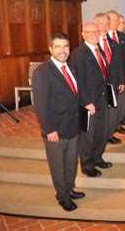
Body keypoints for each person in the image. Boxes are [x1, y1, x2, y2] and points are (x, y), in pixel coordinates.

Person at [32, 33, 85, 211]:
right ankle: (62, 196)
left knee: (71, 162)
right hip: (55, 129)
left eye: (66, 47)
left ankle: (69, 189)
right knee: (58, 165)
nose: (63, 51)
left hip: (72, 125)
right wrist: (49, 129)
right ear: (50, 49)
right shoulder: (42, 72)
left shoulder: (70, 67)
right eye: (58, 47)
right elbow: (40, 104)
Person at [69, 22, 112, 177]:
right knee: (87, 135)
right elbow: (77, 80)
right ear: (83, 34)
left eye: (96, 31)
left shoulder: (98, 49)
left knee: (101, 131)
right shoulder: (78, 53)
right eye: (91, 32)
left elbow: (103, 75)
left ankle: (97, 158)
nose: (95, 34)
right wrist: (86, 102)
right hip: (88, 102)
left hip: (101, 99)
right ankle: (87, 165)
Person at [95, 13, 125, 145]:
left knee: (112, 110)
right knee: (101, 112)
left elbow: (119, 64)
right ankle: (100, 136)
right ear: (96, 24)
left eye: (107, 24)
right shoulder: (91, 44)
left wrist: (121, 81)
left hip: (112, 84)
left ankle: (109, 134)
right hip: (97, 86)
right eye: (101, 23)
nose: (104, 27)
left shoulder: (113, 44)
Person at [106, 10, 125, 132]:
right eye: (114, 20)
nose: (116, 22)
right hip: (108, 77)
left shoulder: (121, 36)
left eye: (118, 20)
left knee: (121, 102)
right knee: (111, 103)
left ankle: (119, 123)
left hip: (121, 74)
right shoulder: (103, 37)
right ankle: (111, 127)